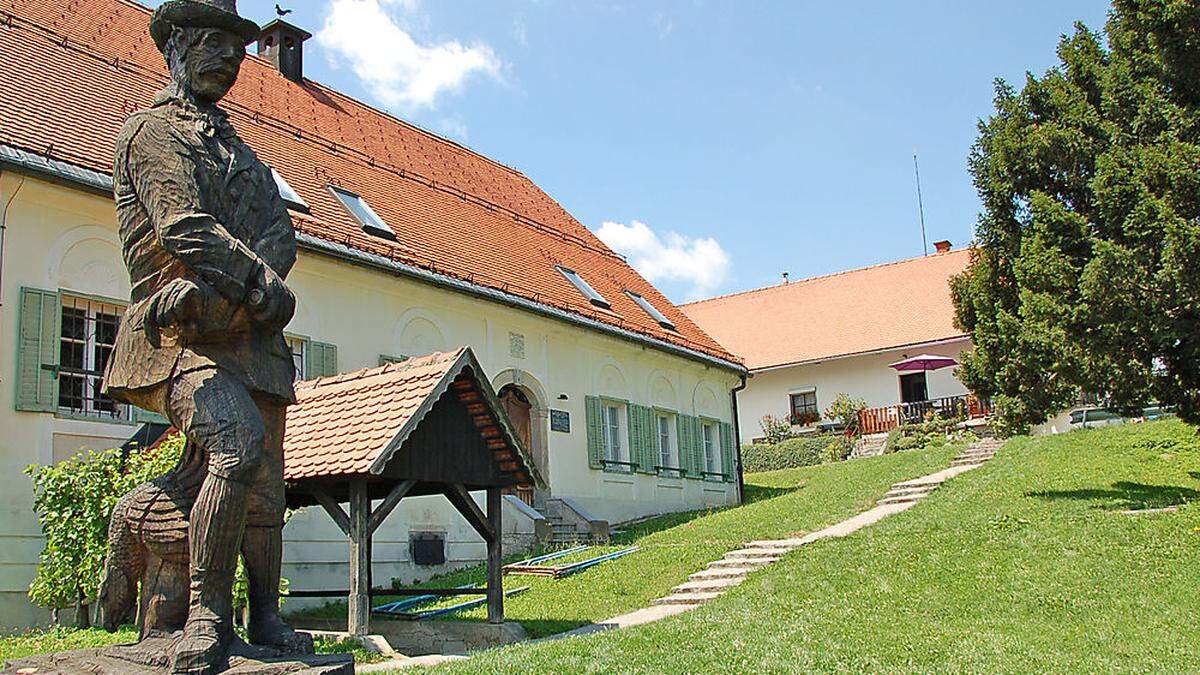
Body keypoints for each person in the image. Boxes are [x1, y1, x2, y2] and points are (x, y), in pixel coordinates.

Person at [102, 1, 311, 671]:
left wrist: (263, 288)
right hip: (179, 330)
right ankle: (205, 611)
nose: (232, 58)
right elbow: (182, 225)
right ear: (182, 45)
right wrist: (255, 284)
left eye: (238, 48)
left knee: (268, 482)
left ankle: (267, 615)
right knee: (235, 445)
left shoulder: (243, 151)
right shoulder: (150, 132)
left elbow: (281, 230)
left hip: (252, 336)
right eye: (218, 44)